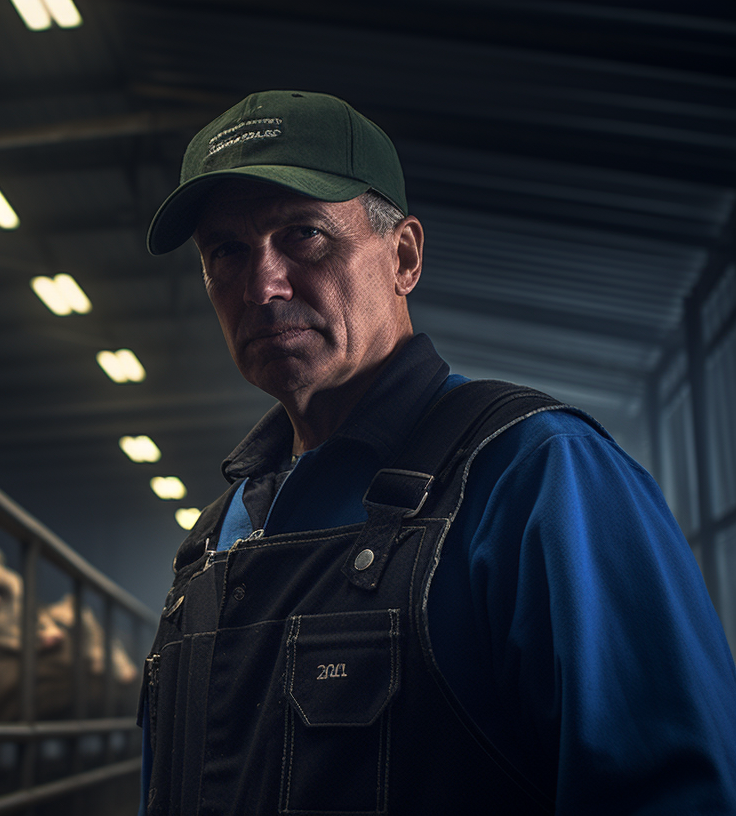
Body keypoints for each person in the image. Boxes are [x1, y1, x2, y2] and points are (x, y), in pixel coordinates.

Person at [136, 89, 736, 815]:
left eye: (304, 234)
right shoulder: (214, 538)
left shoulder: (537, 475)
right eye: (225, 252)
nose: (262, 286)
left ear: (405, 256)